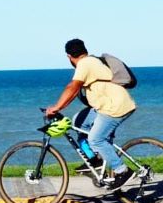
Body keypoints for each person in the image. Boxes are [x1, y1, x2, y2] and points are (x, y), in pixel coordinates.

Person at [45, 38, 136, 189]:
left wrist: (56, 108)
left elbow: (72, 87)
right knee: (79, 122)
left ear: (69, 57)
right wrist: (59, 107)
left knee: (96, 139)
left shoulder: (85, 63)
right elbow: (74, 91)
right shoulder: (91, 61)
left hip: (115, 106)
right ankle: (96, 159)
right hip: (105, 105)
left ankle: (122, 171)